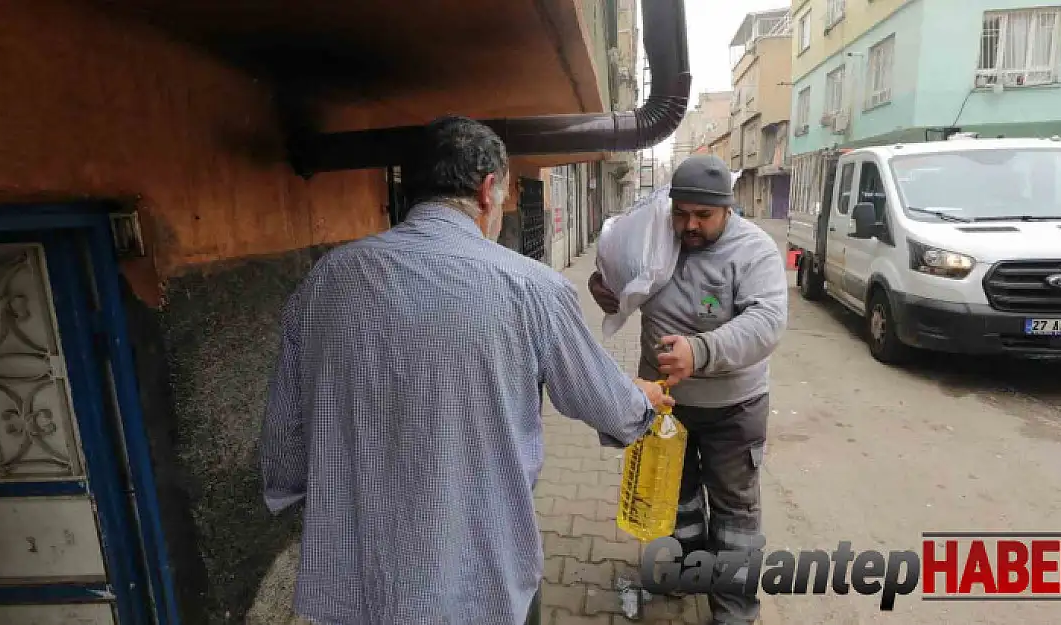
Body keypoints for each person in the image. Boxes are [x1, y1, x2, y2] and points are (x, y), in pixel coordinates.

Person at [259, 115, 674, 625]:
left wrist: (297, 493)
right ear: (487, 191)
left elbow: (284, 438)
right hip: (480, 580)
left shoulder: (326, 281)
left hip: (359, 581)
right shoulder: (533, 288)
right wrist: (643, 401)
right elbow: (611, 407)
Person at [588, 154, 788, 625]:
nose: (690, 225)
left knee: (735, 515)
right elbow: (630, 282)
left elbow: (767, 322)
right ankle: (689, 571)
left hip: (732, 408)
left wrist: (699, 351)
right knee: (677, 502)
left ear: (728, 209)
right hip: (665, 408)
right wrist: (612, 290)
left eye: (703, 215)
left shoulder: (754, 251)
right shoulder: (659, 238)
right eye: (681, 213)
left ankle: (734, 611)